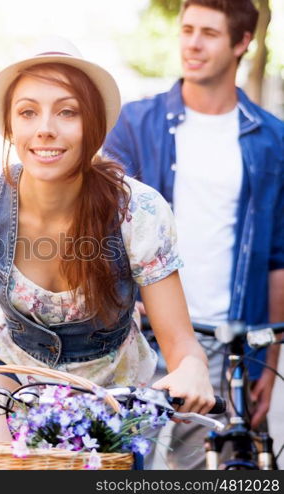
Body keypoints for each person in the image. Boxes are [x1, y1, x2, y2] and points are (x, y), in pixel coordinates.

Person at [0, 37, 215, 443]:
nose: (45, 129)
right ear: (11, 127)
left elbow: (181, 344)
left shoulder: (138, 212)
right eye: (28, 112)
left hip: (110, 393)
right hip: (5, 371)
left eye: (67, 112)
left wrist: (191, 368)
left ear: (94, 125)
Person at [104, 0, 284, 469]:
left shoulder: (273, 140)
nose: (193, 43)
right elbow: (98, 224)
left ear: (243, 43)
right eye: (187, 29)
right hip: (139, 337)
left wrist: (271, 357)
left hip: (230, 343)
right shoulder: (134, 123)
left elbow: (278, 258)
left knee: (215, 473)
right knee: (121, 468)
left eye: (209, 32)